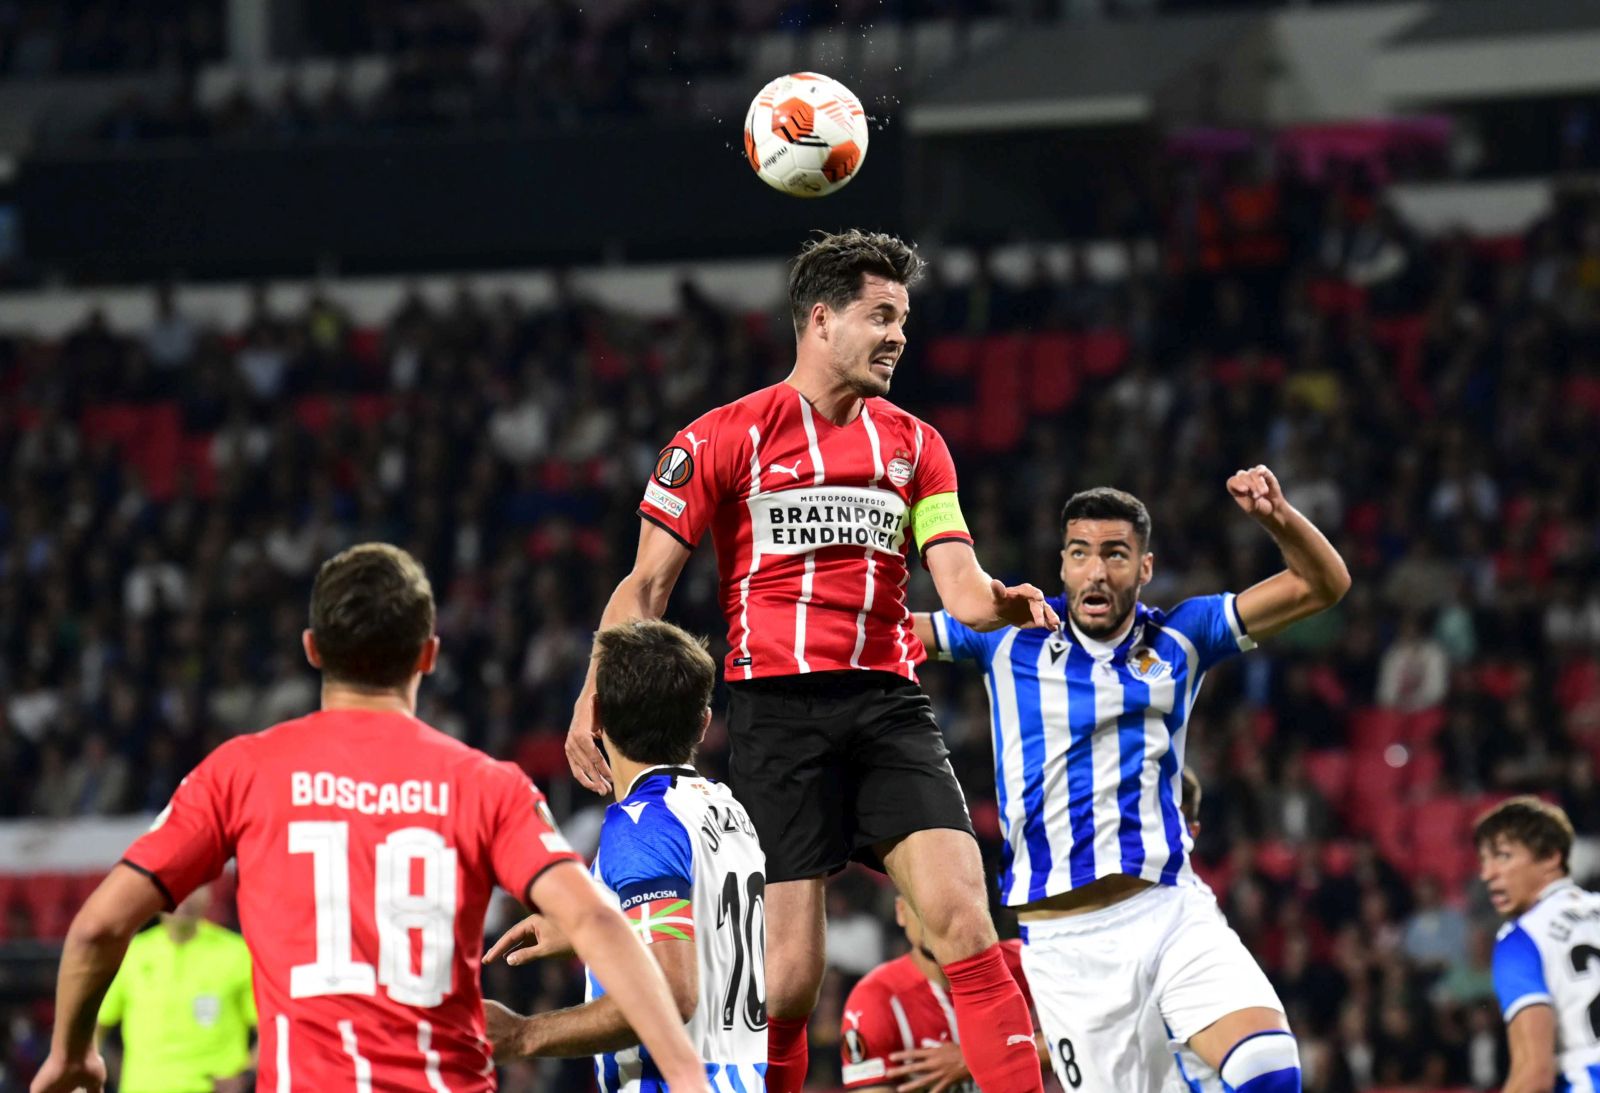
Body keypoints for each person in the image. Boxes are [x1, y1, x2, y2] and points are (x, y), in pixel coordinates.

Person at [565, 229, 1055, 1093]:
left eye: (904, 318)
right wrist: (592, 695)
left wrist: (998, 602)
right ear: (821, 319)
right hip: (775, 714)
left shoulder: (916, 445)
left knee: (967, 922)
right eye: (882, 315)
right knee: (787, 982)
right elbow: (644, 590)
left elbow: (961, 583)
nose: (900, 335)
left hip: (888, 705)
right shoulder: (724, 437)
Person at [31, 543, 711, 1093]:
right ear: (429, 655)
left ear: (311, 648)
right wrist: (683, 1070)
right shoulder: (487, 784)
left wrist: (72, 1053)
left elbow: (96, 927)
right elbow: (595, 920)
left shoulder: (241, 771)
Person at [915, 473, 1350, 1093]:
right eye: (1080, 554)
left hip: (1169, 909)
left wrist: (1278, 515)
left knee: (1267, 1068)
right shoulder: (1006, 633)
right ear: (1061, 566)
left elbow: (1323, 585)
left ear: (1144, 569)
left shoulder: (1181, 637)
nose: (1096, 572)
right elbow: (886, 634)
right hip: (1067, 946)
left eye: (1115, 554)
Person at [482, 619, 768, 1091]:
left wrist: (522, 1035)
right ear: (703, 722)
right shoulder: (726, 808)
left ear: (594, 716)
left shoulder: (639, 824)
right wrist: (593, 926)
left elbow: (671, 996)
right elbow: (708, 928)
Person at [838, 897, 1049, 1093]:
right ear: (901, 911)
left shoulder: (1028, 965)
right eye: (922, 907)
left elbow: (1078, 1034)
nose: (935, 919)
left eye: (948, 903)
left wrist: (975, 1061)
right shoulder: (875, 998)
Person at [1476, 795, 1600, 1093]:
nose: (1487, 874)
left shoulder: (1522, 938)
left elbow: (1534, 1075)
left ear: (1550, 857)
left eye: (1503, 856)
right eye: (1484, 860)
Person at [96, 884, 255, 1093]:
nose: (185, 899)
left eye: (195, 888)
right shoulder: (131, 953)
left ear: (209, 895)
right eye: (177, 889)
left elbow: (272, 1032)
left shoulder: (237, 953)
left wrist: (245, 1077)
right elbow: (93, 1026)